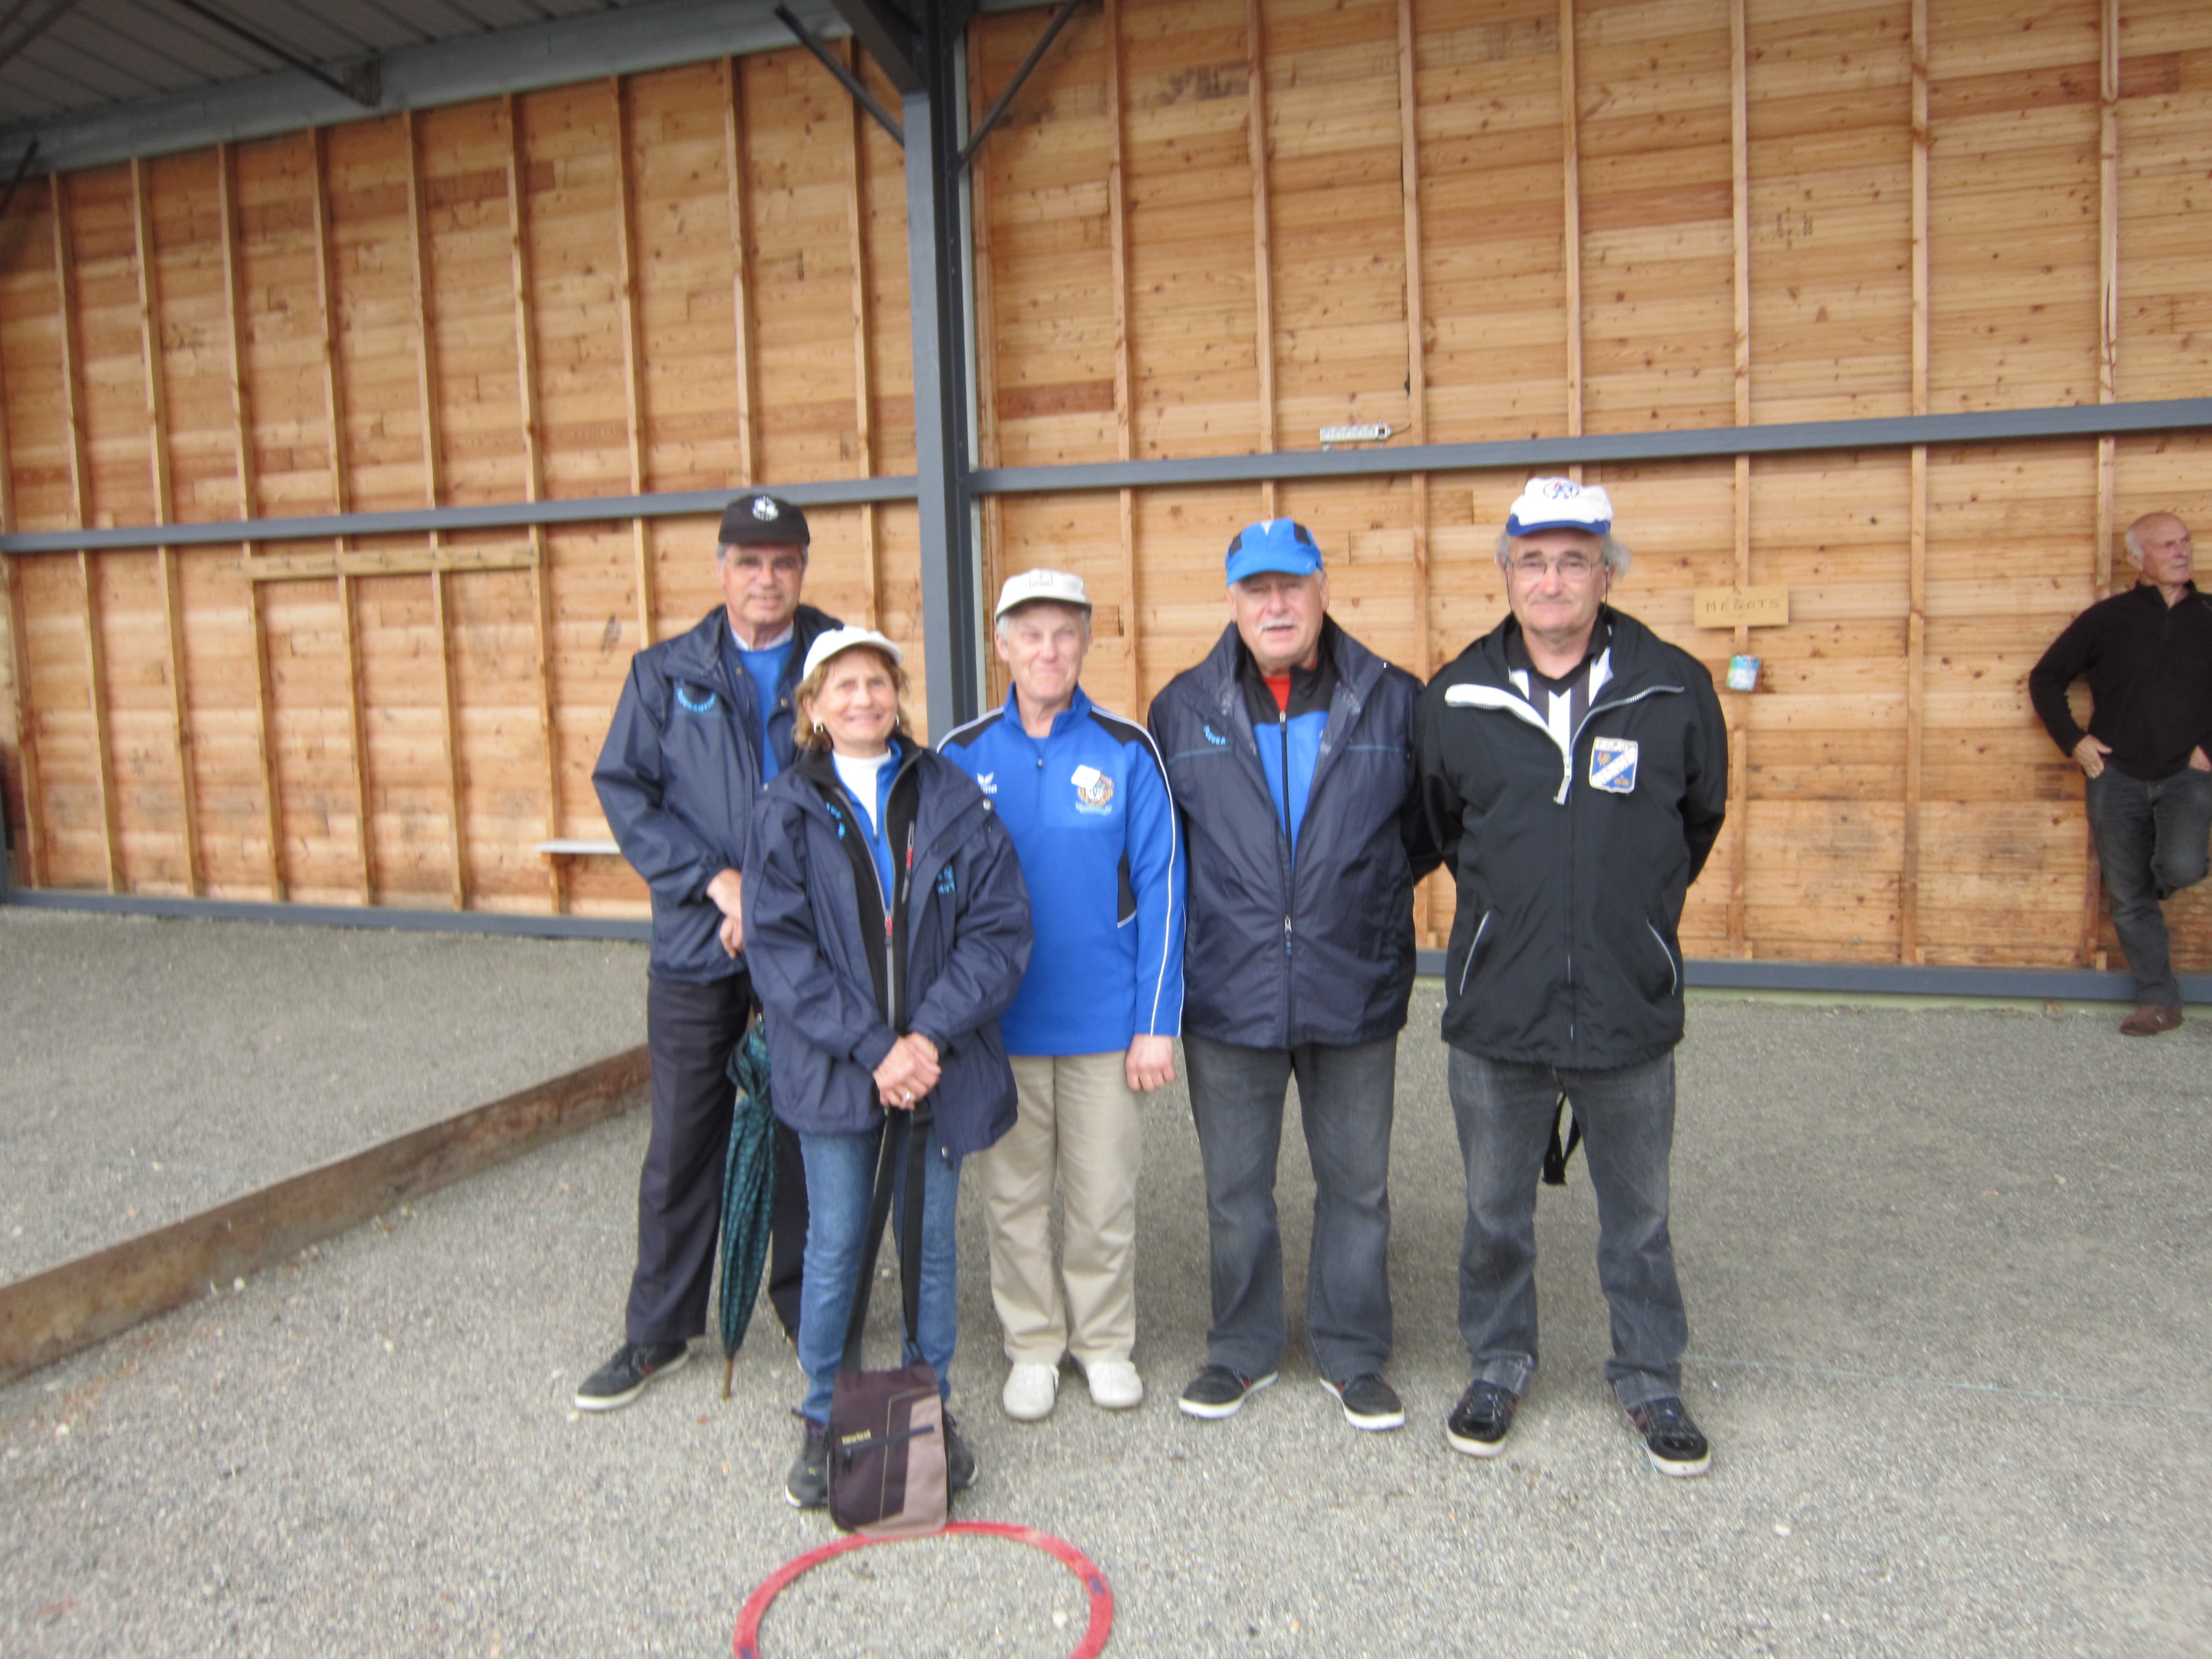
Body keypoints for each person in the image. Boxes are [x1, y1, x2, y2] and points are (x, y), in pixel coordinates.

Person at [1413, 476, 1727, 1478]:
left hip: (1628, 1005)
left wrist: (1630, 922)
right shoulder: (1457, 694)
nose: (1552, 579)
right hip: (1499, 1008)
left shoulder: (1673, 686)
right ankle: (1498, 1363)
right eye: (1533, 560)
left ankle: (1649, 1376)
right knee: (1496, 1213)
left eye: (1574, 560)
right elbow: (1437, 829)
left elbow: (1696, 823)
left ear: (1605, 572)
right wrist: (1515, 918)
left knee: (1639, 1218)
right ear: (1507, 572)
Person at [1146, 518, 1433, 1433]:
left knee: (1358, 1185)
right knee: (1236, 1189)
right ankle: (1241, 1347)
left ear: (1321, 590)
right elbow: (1166, 851)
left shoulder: (1393, 699)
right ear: (1232, 600)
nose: (1276, 604)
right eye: (1256, 589)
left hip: (1353, 981)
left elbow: (1422, 831)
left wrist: (1355, 897)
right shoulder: (1181, 707)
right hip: (1228, 988)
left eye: (1292, 586)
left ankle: (1353, 1353)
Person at [742, 626, 1033, 1509]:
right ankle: (825, 1415)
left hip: (934, 1070)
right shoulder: (786, 808)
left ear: (897, 694)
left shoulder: (950, 795)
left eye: (876, 683)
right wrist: (877, 1048)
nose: (862, 699)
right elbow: (781, 953)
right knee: (835, 1250)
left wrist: (927, 1040)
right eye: (843, 687)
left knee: (929, 1251)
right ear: (815, 709)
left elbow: (999, 930)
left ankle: (925, 1404)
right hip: (840, 1071)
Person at [575, 492, 840, 1411]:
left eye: (784, 563)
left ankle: (815, 1314)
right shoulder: (666, 673)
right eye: (749, 562)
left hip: (810, 944)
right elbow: (627, 793)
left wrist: (778, 901)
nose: (766, 580)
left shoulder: (842, 660)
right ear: (721, 568)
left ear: (802, 570)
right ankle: (658, 1330)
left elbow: (868, 785)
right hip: (699, 938)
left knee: (812, 1126)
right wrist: (716, 881)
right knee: (685, 1135)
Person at [939, 569, 1186, 1422]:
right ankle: (1034, 1346)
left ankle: (1105, 1343)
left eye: (1064, 633)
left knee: (1103, 1197)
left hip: (1104, 1029)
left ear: (1085, 641)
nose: (1048, 650)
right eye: (1029, 634)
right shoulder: (961, 755)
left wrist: (1156, 1024)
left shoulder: (1125, 749)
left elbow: (1162, 886)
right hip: (997, 1029)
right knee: (1012, 1202)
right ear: (1001, 644)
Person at [2028, 512, 2212, 1036]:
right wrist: (2075, 741)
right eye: (2167, 545)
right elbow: (2046, 678)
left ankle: (2151, 885)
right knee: (2128, 896)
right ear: (2138, 559)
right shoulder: (2107, 619)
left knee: (2181, 867)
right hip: (2115, 778)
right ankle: (2159, 1000)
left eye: (2186, 541)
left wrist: (2208, 752)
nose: (2181, 551)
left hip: (2188, 775)